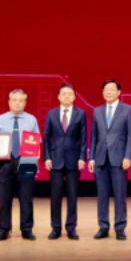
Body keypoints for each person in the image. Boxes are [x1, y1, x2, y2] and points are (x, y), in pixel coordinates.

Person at [0, 89, 40, 242]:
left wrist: (36, 154)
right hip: (6, 161)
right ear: (9, 102)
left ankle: (27, 229)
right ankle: (4, 229)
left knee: (26, 197)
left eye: (20, 100)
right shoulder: (0, 119)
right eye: (14, 100)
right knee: (5, 198)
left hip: (26, 161)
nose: (17, 103)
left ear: (25, 103)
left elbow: (36, 141)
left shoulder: (32, 119)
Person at [89, 80, 131, 241]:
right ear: (102, 93)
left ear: (118, 92)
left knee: (120, 195)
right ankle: (103, 226)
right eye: (105, 89)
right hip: (100, 159)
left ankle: (120, 227)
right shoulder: (97, 111)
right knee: (102, 195)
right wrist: (92, 158)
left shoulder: (128, 109)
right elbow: (94, 136)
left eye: (112, 89)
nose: (108, 92)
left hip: (119, 158)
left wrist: (128, 156)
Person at [43, 84, 88, 241]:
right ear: (58, 97)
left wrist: (82, 157)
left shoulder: (80, 113)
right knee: (55, 196)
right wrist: (47, 157)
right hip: (55, 159)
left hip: (73, 160)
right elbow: (46, 137)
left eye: (70, 93)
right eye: (64, 93)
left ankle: (71, 228)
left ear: (74, 97)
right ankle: (55, 228)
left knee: (72, 196)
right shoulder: (51, 113)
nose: (67, 96)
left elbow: (84, 137)